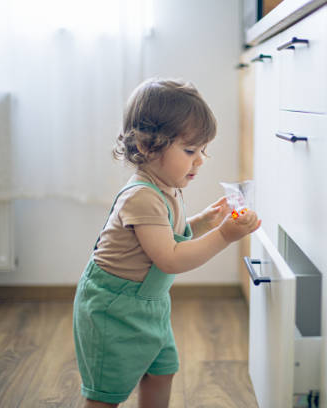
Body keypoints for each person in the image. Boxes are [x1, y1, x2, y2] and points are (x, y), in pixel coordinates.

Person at [73, 78, 261, 408]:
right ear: (147, 147)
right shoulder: (141, 196)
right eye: (190, 150)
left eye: (203, 150)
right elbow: (169, 258)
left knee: (162, 372)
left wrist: (204, 221)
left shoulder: (166, 189)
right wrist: (225, 236)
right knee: (106, 393)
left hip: (150, 306)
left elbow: (164, 236)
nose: (200, 159)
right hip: (112, 309)